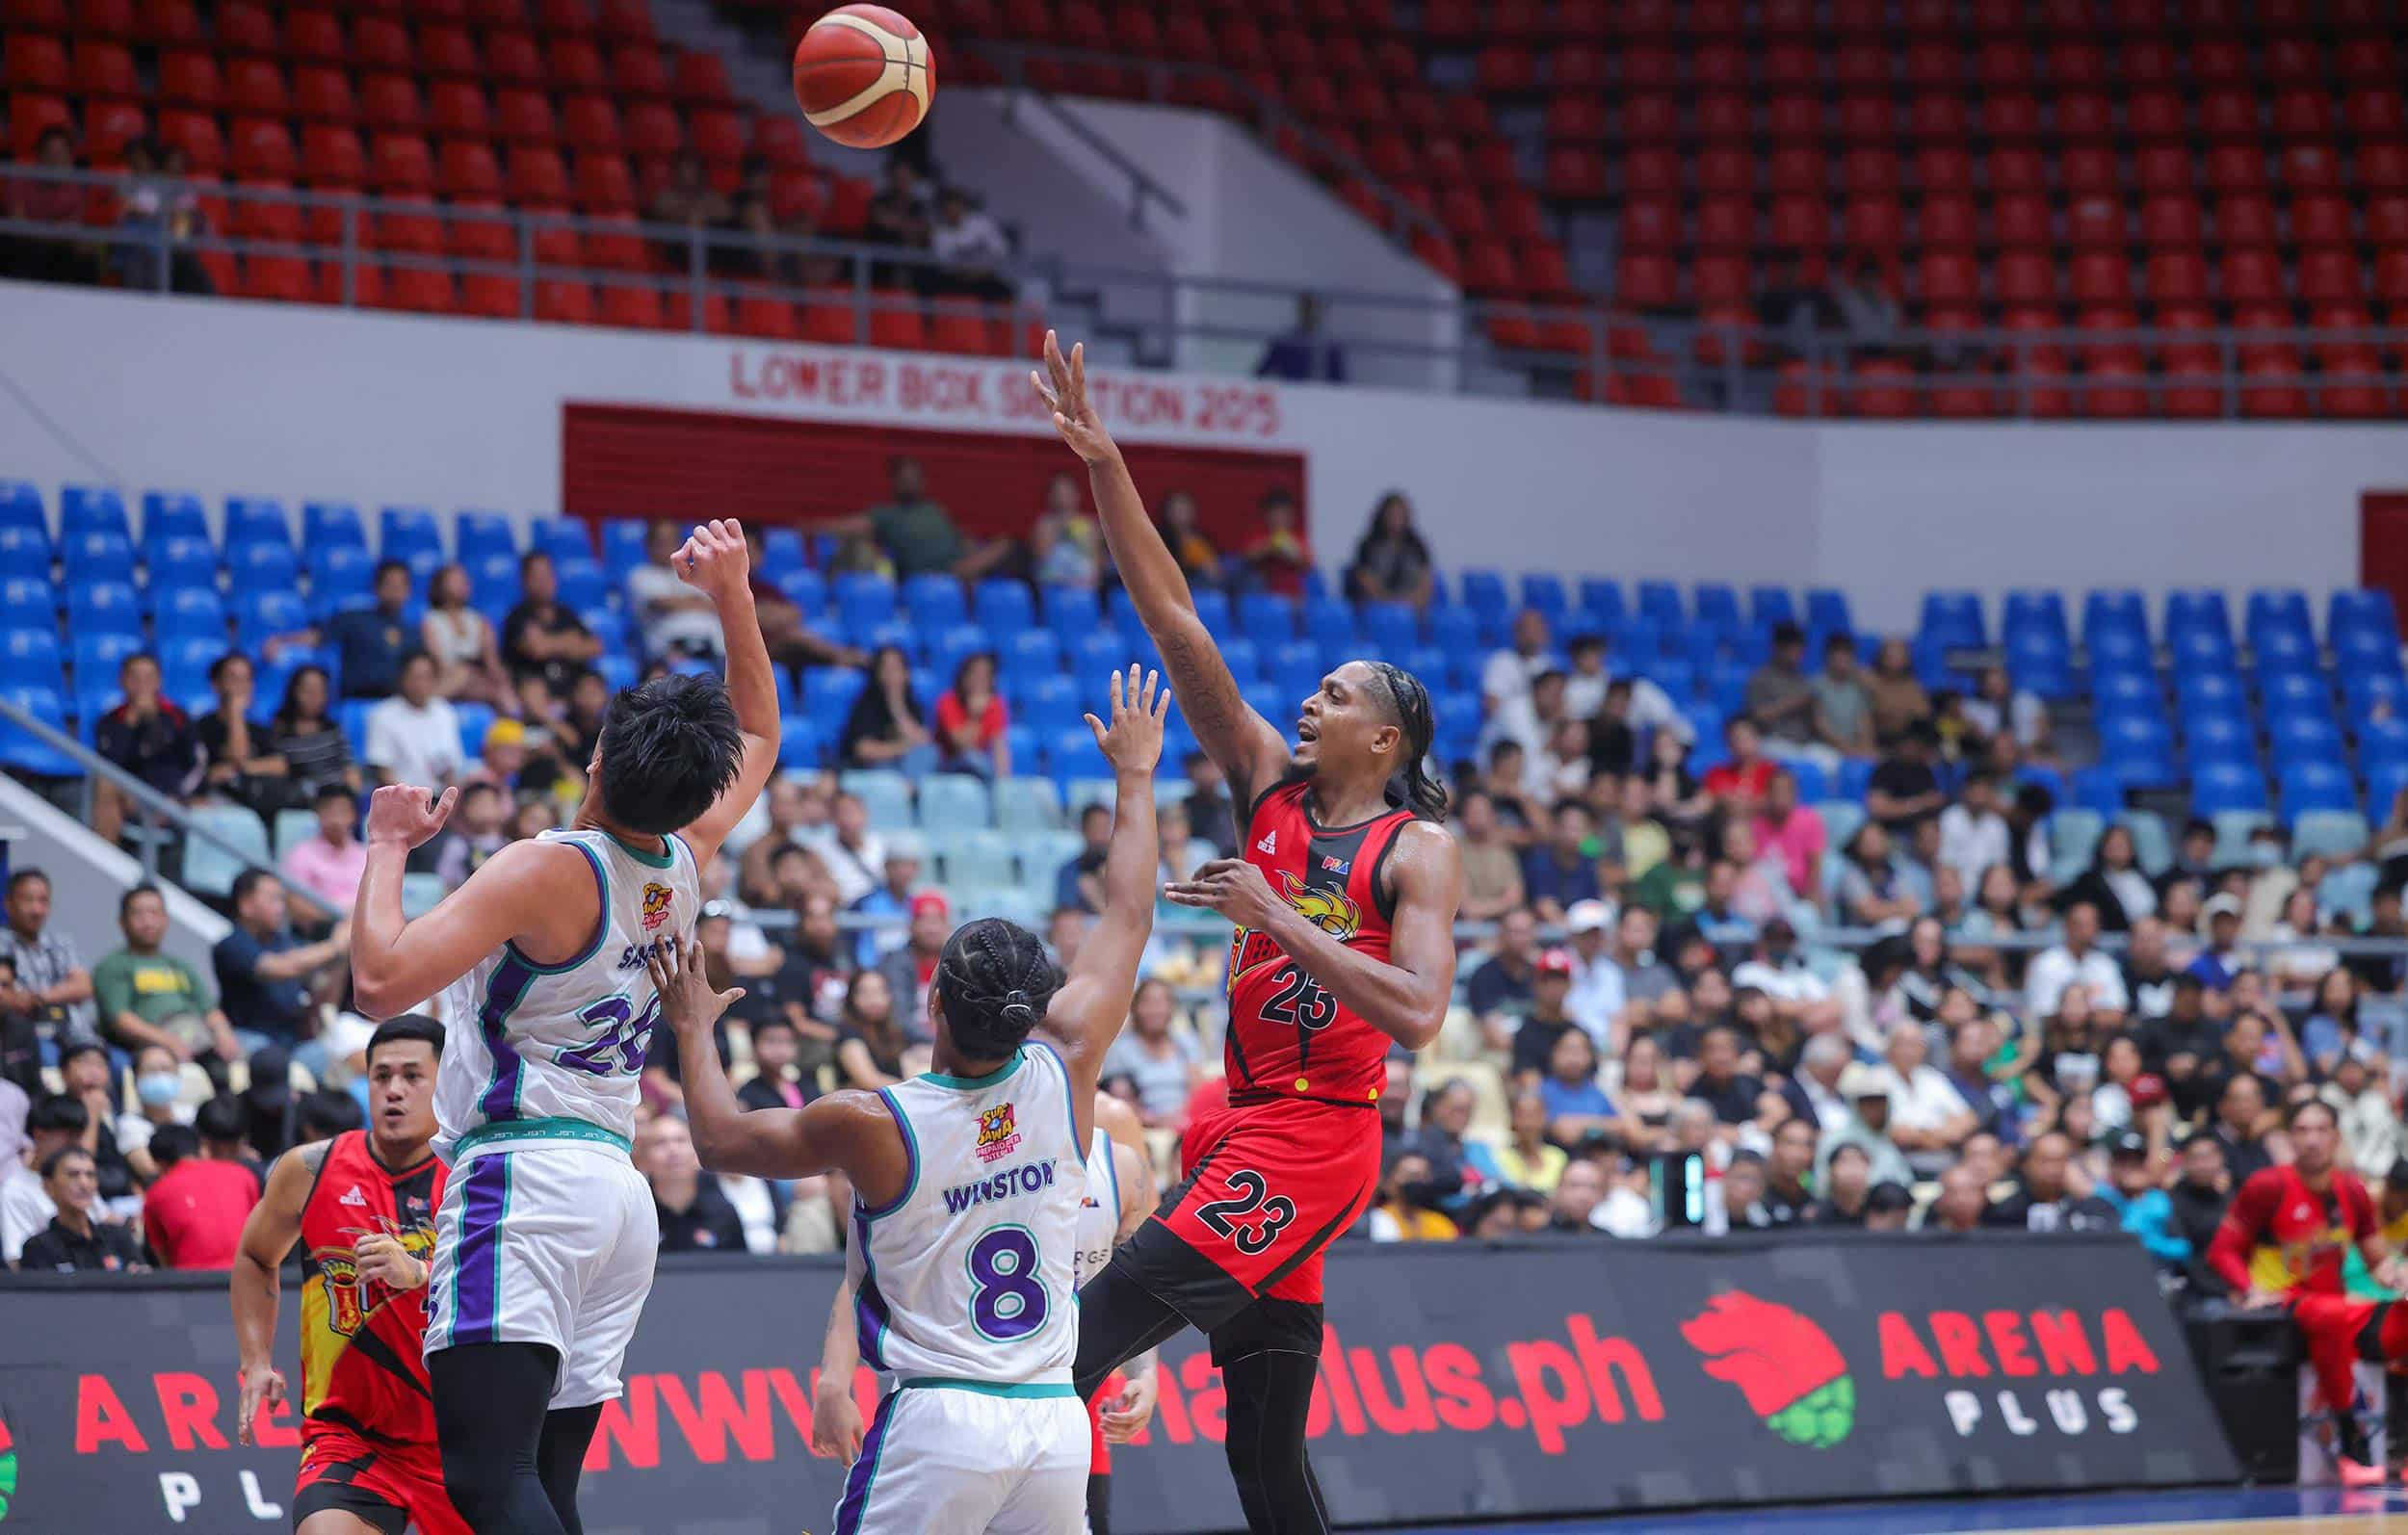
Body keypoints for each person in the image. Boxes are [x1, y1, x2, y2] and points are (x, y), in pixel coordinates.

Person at [1038, 331, 1461, 1531]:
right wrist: (1105, 463)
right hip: (1243, 1122)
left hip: (1318, 1138)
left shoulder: (1416, 850)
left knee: (1072, 1346)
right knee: (1265, 1462)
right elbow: (1177, 621)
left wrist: (1278, 917)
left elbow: (1420, 1016)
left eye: (1337, 696)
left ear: (1384, 741)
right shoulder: (1269, 785)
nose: (1311, 701)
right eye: (1316, 692)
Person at [342, 519, 778, 1535]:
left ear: (595, 752)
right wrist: (734, 597)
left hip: (522, 1179)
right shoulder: (686, 857)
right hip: (614, 1194)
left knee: (487, 1484)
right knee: (544, 1485)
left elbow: (375, 980)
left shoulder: (548, 867)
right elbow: (759, 735)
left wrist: (386, 844)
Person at [667, 663, 1166, 1535]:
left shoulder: (873, 1122)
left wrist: (692, 1026)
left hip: (942, 1418)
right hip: (1055, 1419)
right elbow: (1127, 914)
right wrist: (1134, 775)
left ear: (930, 1000)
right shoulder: (1071, 1067)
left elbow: (716, 1140)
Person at [812, 1091, 1160, 1535]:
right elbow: (877, 1271)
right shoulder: (963, 1144)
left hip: (1057, 1398)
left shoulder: (1118, 1156)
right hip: (985, 1394)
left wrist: (1144, 1375)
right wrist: (834, 1382)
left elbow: (1132, 1282)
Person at [230, 1017, 461, 1533]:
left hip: (462, 1442)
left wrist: (422, 1271)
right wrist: (256, 1360)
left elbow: (510, 1286)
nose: (394, 1091)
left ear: (447, 1083)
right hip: (350, 1438)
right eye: (382, 1077)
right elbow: (253, 1257)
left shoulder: (476, 1172)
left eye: (412, 1076)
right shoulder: (311, 1170)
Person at [2209, 1098, 2408, 1481]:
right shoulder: (2267, 1186)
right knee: (2329, 1314)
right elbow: (2222, 1250)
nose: (2312, 1140)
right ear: (2289, 1138)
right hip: (2284, 1304)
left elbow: (2377, 1260)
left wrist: (2397, 1277)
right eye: (2302, 1130)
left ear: (2335, 1137)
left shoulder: (2352, 1190)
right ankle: (2353, 1446)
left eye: (2320, 1130)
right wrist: (2247, 1288)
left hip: (2338, 1308)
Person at [93, 883, 240, 1066]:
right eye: (138, 914)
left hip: (196, 1036)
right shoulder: (113, 965)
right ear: (122, 922)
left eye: (154, 913)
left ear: (166, 920)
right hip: (150, 1045)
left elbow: (210, 1010)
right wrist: (167, 1041)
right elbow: (120, 1020)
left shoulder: (180, 966)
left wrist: (223, 1033)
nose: (147, 921)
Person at [214, 871, 350, 1060]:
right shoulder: (231, 945)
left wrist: (341, 959)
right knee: (274, 1061)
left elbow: (320, 991)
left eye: (281, 901)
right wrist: (336, 946)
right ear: (246, 905)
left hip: (293, 1042)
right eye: (273, 900)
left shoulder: (284, 943)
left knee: (341, 1061)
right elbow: (280, 967)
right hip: (250, 1040)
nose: (281, 908)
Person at [92, 651, 203, 842]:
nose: (141, 684)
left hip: (172, 795)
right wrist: (129, 723)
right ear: (122, 680)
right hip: (130, 794)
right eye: (134, 677)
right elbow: (108, 765)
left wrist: (175, 797)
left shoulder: (178, 717)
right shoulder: (110, 721)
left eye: (148, 677)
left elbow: (193, 764)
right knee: (106, 786)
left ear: (159, 681)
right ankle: (106, 859)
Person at [144, 1094, 262, 1268]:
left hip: (193, 1288)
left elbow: (165, 1264)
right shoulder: (245, 1175)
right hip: (247, 1282)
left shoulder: (156, 1193)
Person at [1, 869, 96, 1044]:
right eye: (28, 900)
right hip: (24, 1040)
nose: (37, 909)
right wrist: (63, 992)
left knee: (112, 1062)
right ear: (8, 903)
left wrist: (39, 998)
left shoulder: (60, 942)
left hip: (77, 1036)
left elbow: (84, 986)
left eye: (43, 901)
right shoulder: (2, 944)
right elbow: (11, 999)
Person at [16, 1144, 146, 1272]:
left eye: (90, 1175)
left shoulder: (118, 1237)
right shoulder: (38, 1248)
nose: (84, 1183)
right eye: (73, 1175)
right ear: (48, 1186)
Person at [196, 652, 292, 814]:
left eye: (246, 679)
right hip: (215, 804)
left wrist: (243, 768)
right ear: (215, 684)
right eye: (233, 679)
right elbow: (238, 755)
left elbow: (280, 765)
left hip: (256, 803)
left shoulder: (260, 729)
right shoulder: (201, 727)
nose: (241, 686)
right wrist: (235, 713)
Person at [502, 552, 604, 697]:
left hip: (571, 686)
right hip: (537, 688)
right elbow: (537, 649)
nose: (545, 581)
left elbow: (595, 646)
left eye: (548, 574)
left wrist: (550, 643)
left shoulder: (566, 613)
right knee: (533, 691)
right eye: (537, 576)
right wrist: (570, 641)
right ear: (524, 581)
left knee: (592, 687)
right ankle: (552, 721)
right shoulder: (517, 616)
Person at [1102, 977, 1201, 1127]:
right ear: (1135, 1008)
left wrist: (1181, 1118)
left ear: (1172, 1008)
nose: (1155, 1010)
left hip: (1185, 1124)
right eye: (1148, 1003)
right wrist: (1153, 1121)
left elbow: (1198, 1090)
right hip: (1141, 1127)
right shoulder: (1121, 1049)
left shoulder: (1186, 1043)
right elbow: (1120, 1098)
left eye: (1161, 1003)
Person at [627, 519, 727, 662]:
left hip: (714, 647)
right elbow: (661, 604)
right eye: (661, 541)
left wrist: (682, 603)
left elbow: (718, 604)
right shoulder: (640, 575)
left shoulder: (697, 570)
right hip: (670, 650)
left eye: (672, 540)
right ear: (649, 545)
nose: (666, 547)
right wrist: (697, 601)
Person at [365, 653, 465, 790]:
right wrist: (411, 800)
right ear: (403, 679)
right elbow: (383, 771)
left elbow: (450, 770)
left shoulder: (445, 712)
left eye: (427, 677)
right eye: (417, 677)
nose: (422, 684)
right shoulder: (383, 714)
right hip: (400, 797)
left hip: (436, 797)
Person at [422, 563, 514, 710]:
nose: (463, 585)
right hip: (446, 677)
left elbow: (491, 661)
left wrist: (498, 675)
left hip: (477, 678)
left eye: (464, 581)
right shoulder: (431, 620)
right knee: (462, 673)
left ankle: (518, 721)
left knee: (500, 684)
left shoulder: (478, 620)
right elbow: (437, 661)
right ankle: (427, 704)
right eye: (456, 581)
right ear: (440, 586)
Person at [271, 664, 364, 799]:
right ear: (294, 692)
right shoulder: (281, 731)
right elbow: (281, 770)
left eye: (320, 691)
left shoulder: (334, 729)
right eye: (308, 691)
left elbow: (349, 769)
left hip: (337, 798)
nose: (314, 698)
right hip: (301, 802)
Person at [329, 560, 419, 701]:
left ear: (409, 591)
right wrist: (282, 641)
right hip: (360, 698)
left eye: (401, 585)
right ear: (376, 587)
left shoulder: (414, 631)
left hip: (400, 704)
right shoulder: (353, 619)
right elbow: (316, 638)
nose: (395, 590)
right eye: (390, 584)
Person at [839, 643, 934, 770]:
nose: (891, 674)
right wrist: (900, 748)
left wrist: (897, 708)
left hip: (904, 769)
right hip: (874, 770)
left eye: (896, 668)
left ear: (906, 674)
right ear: (877, 674)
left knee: (928, 754)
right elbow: (863, 750)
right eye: (885, 668)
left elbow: (923, 742)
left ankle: (910, 786)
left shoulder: (913, 705)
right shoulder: (866, 705)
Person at [284, 783, 371, 913]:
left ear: (354, 816)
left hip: (363, 925)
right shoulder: (302, 854)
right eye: (329, 811)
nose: (336, 819)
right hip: (325, 927)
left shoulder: (367, 856)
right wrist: (339, 918)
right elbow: (295, 904)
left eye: (342, 811)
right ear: (317, 813)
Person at [1345, 492, 1434, 608]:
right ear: (1383, 515)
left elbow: (1426, 580)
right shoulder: (1368, 545)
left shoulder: (1417, 545)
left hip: (1411, 606)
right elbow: (1364, 578)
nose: (1396, 518)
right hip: (1377, 605)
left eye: (1400, 514)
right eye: (1392, 514)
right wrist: (1388, 600)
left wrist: (1411, 601)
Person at [932, 651, 1012, 779]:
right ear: (964, 676)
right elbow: (961, 746)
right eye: (975, 674)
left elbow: (1000, 748)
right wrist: (975, 716)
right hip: (947, 766)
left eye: (986, 676)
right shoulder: (948, 701)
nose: (979, 680)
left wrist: (1004, 781)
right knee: (972, 758)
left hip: (978, 768)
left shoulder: (995, 704)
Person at [1256, 295, 1346, 382]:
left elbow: (1339, 382)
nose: (1311, 314)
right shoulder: (1285, 342)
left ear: (1321, 311)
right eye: (1307, 309)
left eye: (1314, 309)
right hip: (1294, 393)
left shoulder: (1331, 346)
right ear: (1300, 310)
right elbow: (1261, 373)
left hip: (1321, 394)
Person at [1243, 489, 1314, 599]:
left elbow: (1307, 564)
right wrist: (1270, 547)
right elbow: (1248, 558)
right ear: (1266, 515)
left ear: (1292, 515)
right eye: (1275, 513)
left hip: (1292, 594)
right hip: (1263, 593)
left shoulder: (1298, 538)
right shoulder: (1260, 536)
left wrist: (1287, 550)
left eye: (1284, 513)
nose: (1279, 518)